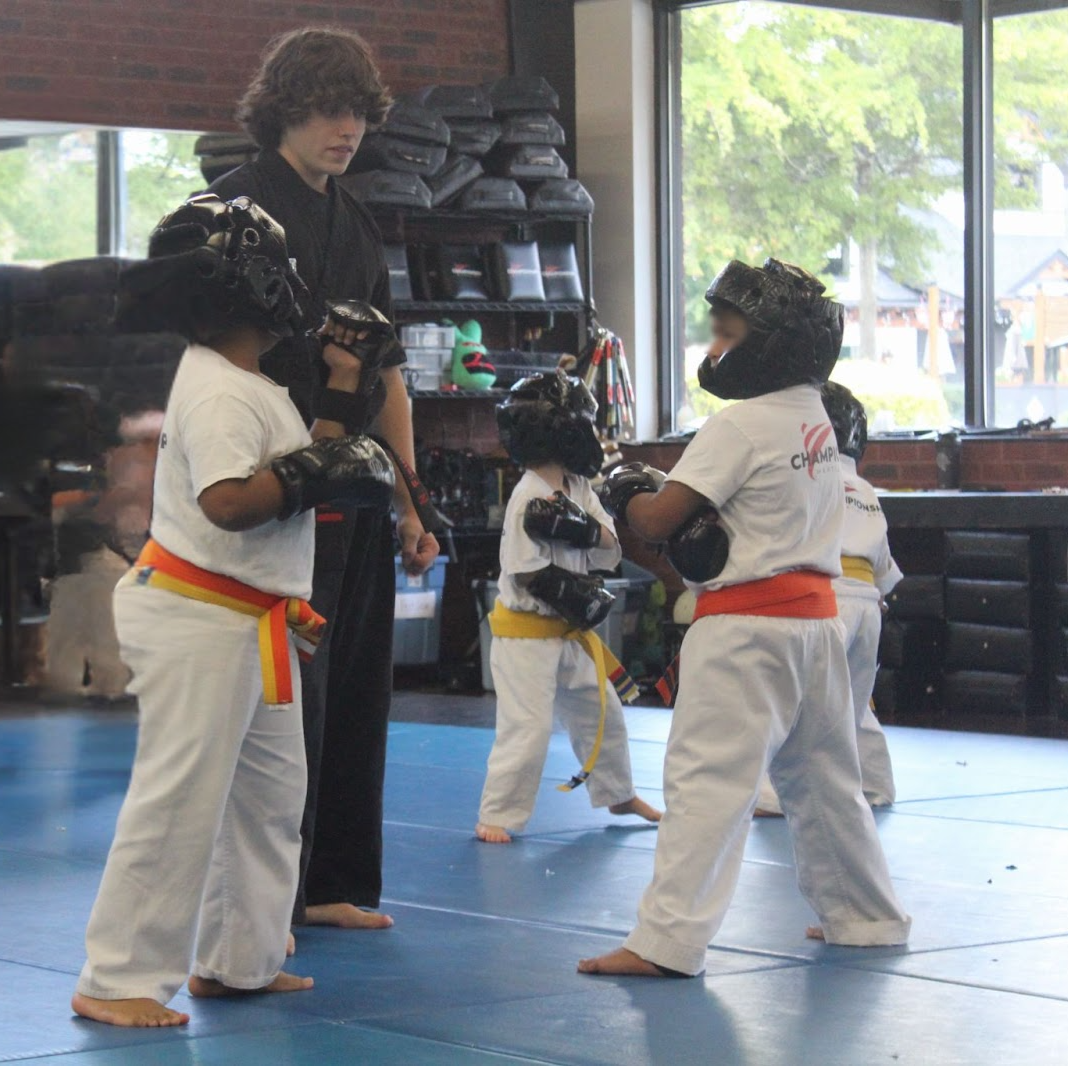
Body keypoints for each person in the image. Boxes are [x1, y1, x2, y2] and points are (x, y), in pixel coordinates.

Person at [71, 193, 397, 1027]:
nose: (293, 281)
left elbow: (297, 459)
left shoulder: (248, 383)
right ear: (249, 283)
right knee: (179, 797)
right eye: (280, 267)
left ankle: (239, 961)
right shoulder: (217, 389)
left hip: (252, 622)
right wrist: (315, 476)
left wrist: (347, 386)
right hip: (199, 615)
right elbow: (227, 500)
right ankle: (117, 979)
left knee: (270, 798)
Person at [579, 259, 910, 978]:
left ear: (765, 344)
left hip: (746, 629)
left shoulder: (740, 423)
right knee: (826, 781)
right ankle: (866, 916)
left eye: (726, 332)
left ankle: (665, 942)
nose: (715, 346)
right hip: (818, 624)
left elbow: (664, 518)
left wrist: (629, 490)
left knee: (707, 784)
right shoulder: (816, 416)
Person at [210, 28, 440, 932]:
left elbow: (386, 371)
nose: (347, 129)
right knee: (281, 700)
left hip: (357, 482)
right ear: (284, 111)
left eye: (358, 113)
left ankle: (331, 880)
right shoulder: (233, 212)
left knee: (353, 687)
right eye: (328, 111)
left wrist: (412, 496)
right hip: (274, 482)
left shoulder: (359, 223)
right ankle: (264, 893)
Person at [476, 371, 661, 844]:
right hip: (525, 635)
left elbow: (610, 548)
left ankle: (618, 793)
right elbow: (523, 570)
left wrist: (578, 528)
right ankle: (497, 814)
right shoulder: (526, 496)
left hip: (570, 632)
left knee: (604, 715)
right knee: (528, 729)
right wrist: (576, 587)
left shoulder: (580, 487)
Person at [755, 381, 899, 816]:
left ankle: (772, 795)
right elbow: (885, 567)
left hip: (825, 595)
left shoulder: (809, 475)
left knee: (797, 702)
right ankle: (875, 784)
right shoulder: (867, 490)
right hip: (868, 602)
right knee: (854, 705)